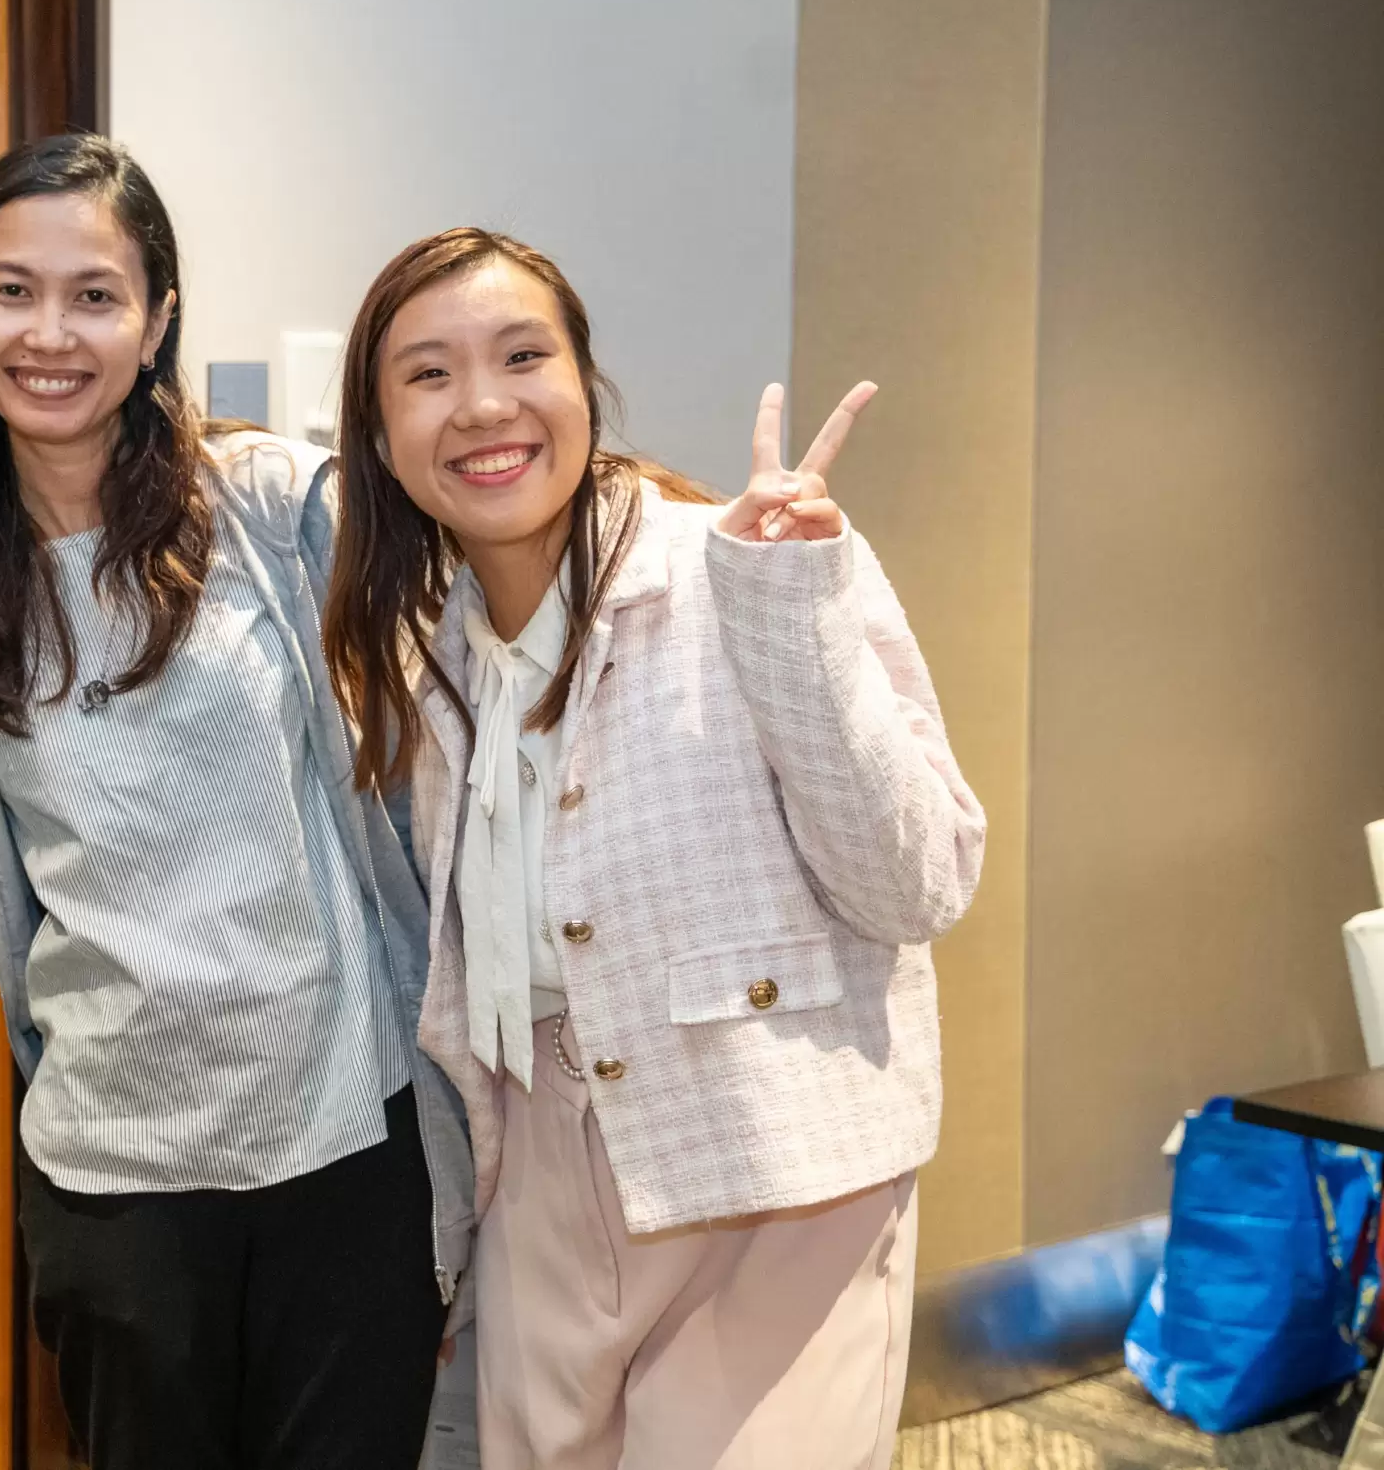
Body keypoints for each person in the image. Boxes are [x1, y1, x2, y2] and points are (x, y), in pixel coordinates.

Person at [323, 229, 986, 1470]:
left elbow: (921, 882)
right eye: (427, 374)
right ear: (378, 432)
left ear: (584, 384)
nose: (482, 404)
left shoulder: (743, 565)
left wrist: (789, 620)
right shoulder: (430, 647)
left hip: (772, 1174)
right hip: (536, 1168)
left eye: (523, 356)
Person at [0, 134, 473, 1470]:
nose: (51, 333)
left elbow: (475, 588)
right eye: (12, 291)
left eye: (96, 295)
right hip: (115, 1173)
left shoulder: (270, 511)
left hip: (344, 1139)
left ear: (155, 324)